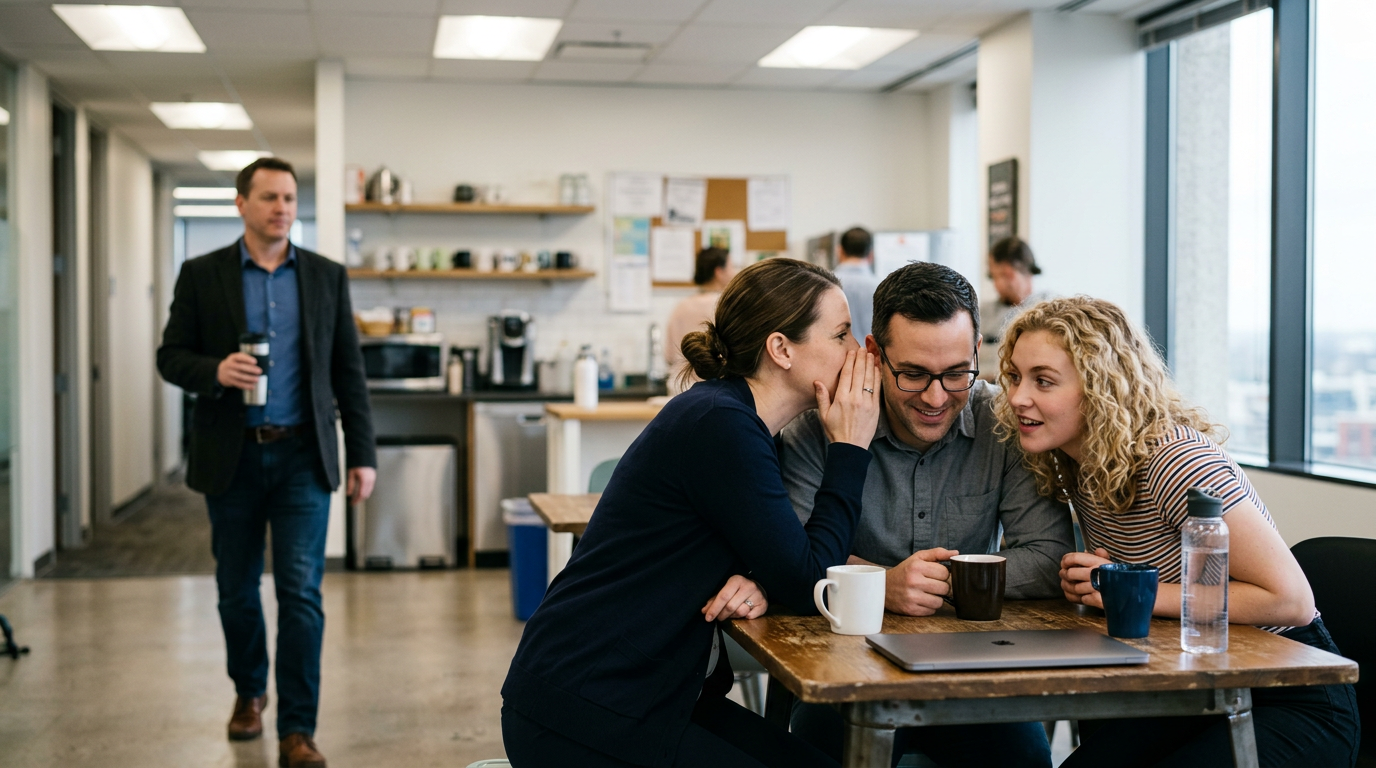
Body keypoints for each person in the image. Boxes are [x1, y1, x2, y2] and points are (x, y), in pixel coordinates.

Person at [501, 258, 881, 768]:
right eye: (841, 334)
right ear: (781, 349)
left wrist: (760, 577)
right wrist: (850, 448)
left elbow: (776, 557)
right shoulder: (722, 426)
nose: (856, 352)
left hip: (649, 694)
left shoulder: (734, 419)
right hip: (585, 706)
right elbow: (810, 580)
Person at [994, 296, 1361, 768]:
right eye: (1015, 377)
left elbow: (1290, 600)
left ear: (1102, 387)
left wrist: (1128, 587)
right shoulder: (1079, 462)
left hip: (1289, 695)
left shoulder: (1174, 460)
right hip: (1196, 686)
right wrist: (1095, 582)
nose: (1018, 397)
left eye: (1043, 381)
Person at [780, 261, 1074, 768]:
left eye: (957, 373)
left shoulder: (1005, 424)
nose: (937, 397)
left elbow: (1050, 555)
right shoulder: (815, 428)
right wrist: (884, 585)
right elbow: (790, 556)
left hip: (977, 674)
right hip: (846, 668)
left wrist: (949, 582)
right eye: (913, 374)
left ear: (978, 349)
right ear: (874, 353)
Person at [157, 157, 377, 768]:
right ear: (241, 204)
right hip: (231, 457)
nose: (282, 207)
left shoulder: (326, 277)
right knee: (236, 590)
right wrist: (214, 371)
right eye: (269, 197)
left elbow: (347, 374)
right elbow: (170, 356)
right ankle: (249, 692)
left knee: (302, 593)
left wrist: (362, 454)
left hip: (304, 457)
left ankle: (297, 730)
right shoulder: (202, 275)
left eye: (289, 197)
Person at [978, 236, 1048, 377]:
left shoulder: (1048, 309)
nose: (999, 284)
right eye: (995, 276)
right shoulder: (984, 313)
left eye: (1006, 275)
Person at [665, 246, 736, 375]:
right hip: (714, 387)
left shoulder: (681, 307)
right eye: (731, 267)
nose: (734, 272)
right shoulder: (725, 306)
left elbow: (669, 356)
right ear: (719, 272)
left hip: (679, 384)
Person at [833, 227, 880, 344]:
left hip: (836, 359)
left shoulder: (824, 284)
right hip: (873, 358)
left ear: (839, 251)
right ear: (871, 255)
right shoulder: (882, 286)